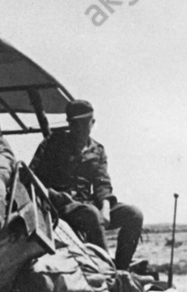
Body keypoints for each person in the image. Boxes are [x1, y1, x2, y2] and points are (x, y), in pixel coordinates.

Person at [29, 99, 143, 270]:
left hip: (87, 204)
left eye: (84, 124)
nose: (80, 129)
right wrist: (52, 195)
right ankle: (107, 272)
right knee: (91, 214)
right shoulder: (53, 144)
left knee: (134, 214)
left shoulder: (97, 150)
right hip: (60, 206)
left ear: (93, 123)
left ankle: (121, 269)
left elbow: (102, 182)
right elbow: (32, 175)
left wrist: (105, 208)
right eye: (75, 124)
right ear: (69, 124)